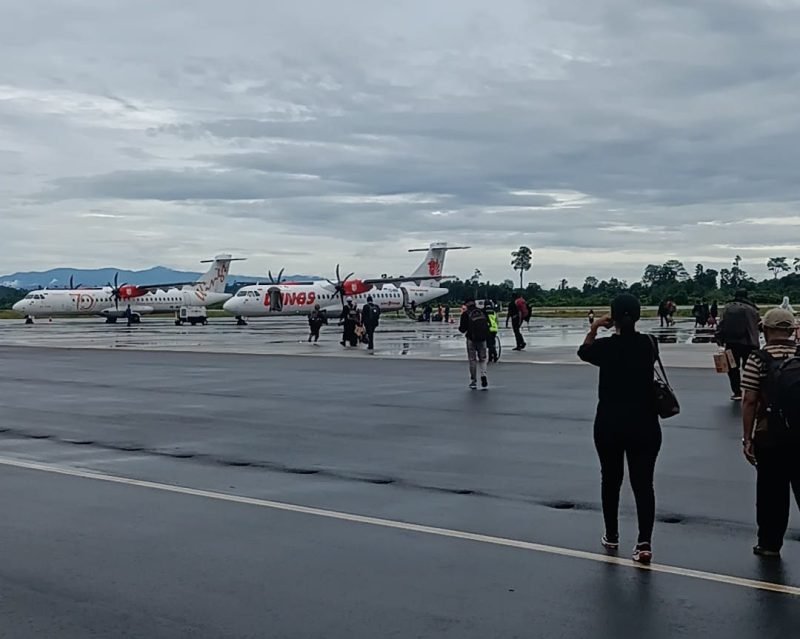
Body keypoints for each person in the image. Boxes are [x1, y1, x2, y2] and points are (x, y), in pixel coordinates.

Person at [578, 294, 661, 565]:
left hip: (610, 422)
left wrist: (594, 327)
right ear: (638, 315)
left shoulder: (605, 347)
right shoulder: (649, 344)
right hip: (644, 422)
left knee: (611, 480)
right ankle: (644, 543)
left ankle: (612, 535)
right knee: (643, 483)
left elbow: (583, 352)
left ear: (613, 317)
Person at [741, 308, 800, 558]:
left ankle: (769, 544)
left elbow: (749, 401)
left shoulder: (758, 359)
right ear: (792, 331)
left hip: (769, 436)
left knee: (771, 493)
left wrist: (747, 438)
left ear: (765, 330)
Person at [716, 289, 761, 401]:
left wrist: (719, 339)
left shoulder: (728, 308)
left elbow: (721, 324)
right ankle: (750, 390)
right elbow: (758, 324)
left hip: (731, 343)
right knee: (750, 368)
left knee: (733, 368)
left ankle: (737, 392)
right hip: (750, 343)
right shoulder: (752, 309)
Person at [459, 297, 490, 390]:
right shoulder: (482, 312)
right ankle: (483, 375)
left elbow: (462, 329)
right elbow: (488, 324)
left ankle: (473, 381)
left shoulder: (465, 314)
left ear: (466, 304)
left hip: (471, 339)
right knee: (483, 359)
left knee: (472, 360)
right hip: (482, 339)